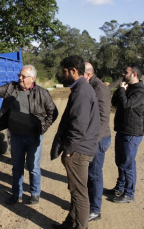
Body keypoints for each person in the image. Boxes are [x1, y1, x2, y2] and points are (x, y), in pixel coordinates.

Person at [0, 65, 58, 205]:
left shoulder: (42, 92)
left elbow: (53, 112)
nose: (20, 78)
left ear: (33, 78)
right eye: (20, 75)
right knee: (17, 166)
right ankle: (16, 194)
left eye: (23, 76)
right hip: (16, 136)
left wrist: (43, 128)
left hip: (33, 137)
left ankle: (35, 193)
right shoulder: (12, 88)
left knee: (33, 167)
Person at [51, 55, 100, 229]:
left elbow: (78, 125)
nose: (62, 75)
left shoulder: (82, 91)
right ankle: (69, 223)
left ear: (73, 71)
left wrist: (69, 149)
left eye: (64, 72)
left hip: (78, 151)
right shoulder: (82, 88)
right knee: (76, 192)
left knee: (79, 194)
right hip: (81, 148)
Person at [105, 64, 144, 204]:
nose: (123, 74)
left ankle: (129, 193)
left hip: (132, 133)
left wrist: (122, 90)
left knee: (128, 164)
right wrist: (119, 90)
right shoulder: (127, 87)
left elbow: (127, 105)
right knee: (120, 162)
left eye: (126, 72)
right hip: (122, 130)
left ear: (134, 74)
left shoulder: (140, 91)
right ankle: (120, 187)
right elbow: (115, 102)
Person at [84, 62, 111, 222]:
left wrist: (94, 141)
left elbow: (103, 119)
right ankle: (86, 206)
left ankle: (95, 210)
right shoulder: (89, 86)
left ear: (88, 74)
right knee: (89, 174)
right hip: (91, 138)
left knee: (95, 175)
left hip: (98, 140)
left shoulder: (99, 88)